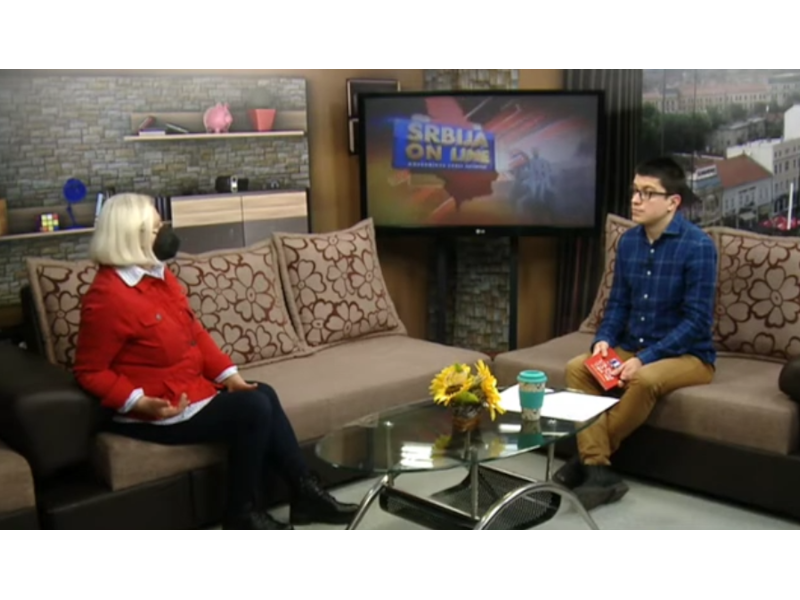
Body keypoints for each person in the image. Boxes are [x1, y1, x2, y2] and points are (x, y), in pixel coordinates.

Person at [73, 193, 359, 530]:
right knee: (253, 408)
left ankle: (305, 492)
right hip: (154, 411)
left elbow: (194, 332)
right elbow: (90, 371)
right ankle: (240, 515)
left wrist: (229, 377)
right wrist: (139, 402)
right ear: (129, 237)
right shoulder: (108, 296)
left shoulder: (159, 275)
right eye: (156, 228)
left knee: (262, 393)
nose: (166, 233)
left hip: (188, 391)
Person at [554, 157, 717, 510]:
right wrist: (603, 340)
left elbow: (696, 322)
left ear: (673, 202)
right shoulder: (629, 242)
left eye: (647, 193)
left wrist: (645, 359)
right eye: (634, 191)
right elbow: (617, 305)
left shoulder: (698, 246)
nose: (635, 200)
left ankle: (586, 462)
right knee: (577, 368)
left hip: (688, 356)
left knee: (643, 380)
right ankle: (599, 471)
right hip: (632, 347)